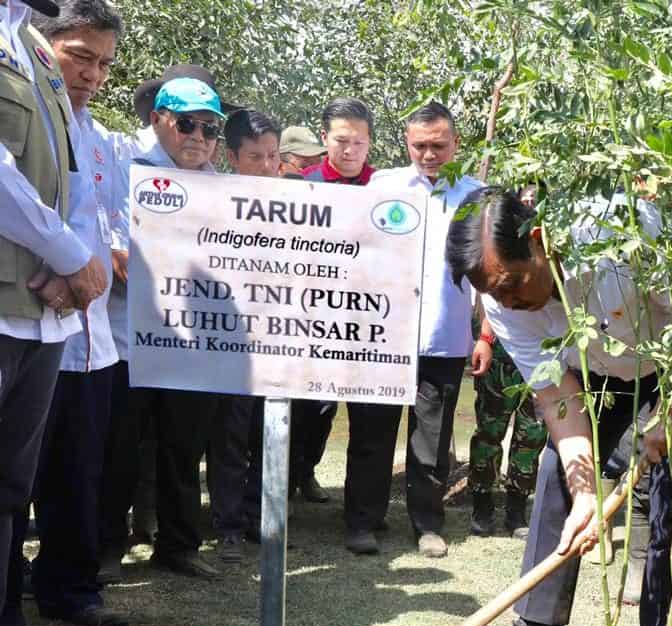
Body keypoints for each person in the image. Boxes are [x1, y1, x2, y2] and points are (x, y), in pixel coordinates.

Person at [447, 187, 672, 626]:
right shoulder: (500, 301)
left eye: (514, 284)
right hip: (596, 371)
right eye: (494, 294)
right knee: (556, 475)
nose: (508, 302)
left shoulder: (625, 237)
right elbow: (557, 398)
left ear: (540, 241)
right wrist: (587, 494)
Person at [10, 0, 128, 626]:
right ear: (44, 44)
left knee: (78, 466)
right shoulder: (30, 103)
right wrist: (65, 269)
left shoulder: (100, 138)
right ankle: (13, 602)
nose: (91, 74)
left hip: (91, 334)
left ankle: (71, 587)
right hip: (30, 308)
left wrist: (99, 261)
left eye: (104, 64)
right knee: (15, 477)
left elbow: (104, 216)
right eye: (80, 55)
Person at [0, 0, 97, 626]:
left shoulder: (29, 45)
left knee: (8, 491)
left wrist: (77, 269)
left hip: (38, 313)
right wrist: (71, 256)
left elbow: (68, 178)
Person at [369, 103, 484, 556]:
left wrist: (486, 335)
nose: (429, 154)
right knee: (373, 433)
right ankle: (364, 519)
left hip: (446, 334)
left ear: (456, 143)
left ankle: (427, 525)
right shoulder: (384, 187)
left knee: (432, 439)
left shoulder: (478, 195)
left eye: (439, 145)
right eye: (420, 145)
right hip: (384, 334)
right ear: (407, 144)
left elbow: (488, 275)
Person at [127, 77, 225, 579]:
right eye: (187, 123)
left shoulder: (220, 187)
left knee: (184, 447)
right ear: (158, 118)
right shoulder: (126, 166)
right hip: (127, 340)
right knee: (118, 446)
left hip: (195, 344)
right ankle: (105, 546)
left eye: (211, 128)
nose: (199, 137)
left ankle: (179, 546)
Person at [300, 98, 402, 554]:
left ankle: (363, 520)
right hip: (311, 329)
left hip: (371, 328)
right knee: (303, 419)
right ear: (325, 138)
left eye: (359, 141)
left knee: (374, 426)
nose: (349, 150)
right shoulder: (300, 188)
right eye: (341, 140)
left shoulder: (388, 191)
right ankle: (276, 512)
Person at [206, 108, 281, 567]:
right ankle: (228, 526)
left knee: (269, 433)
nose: (267, 165)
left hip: (279, 343)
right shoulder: (212, 201)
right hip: (231, 346)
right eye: (256, 156)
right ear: (232, 155)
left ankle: (260, 519)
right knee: (230, 437)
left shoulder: (297, 207)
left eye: (273, 155)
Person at [468, 308, 548, 539]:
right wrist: (484, 338)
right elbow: (487, 294)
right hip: (500, 348)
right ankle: (482, 507)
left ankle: (516, 511)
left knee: (532, 435)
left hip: (542, 352)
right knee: (489, 431)